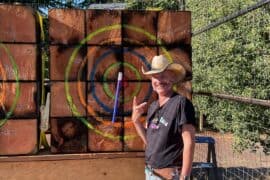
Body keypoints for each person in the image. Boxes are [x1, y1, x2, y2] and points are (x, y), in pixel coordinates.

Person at [132, 55, 196, 180]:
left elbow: (189, 143)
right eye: (155, 76)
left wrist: (184, 176)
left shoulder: (181, 103)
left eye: (164, 75)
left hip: (169, 175)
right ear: (151, 80)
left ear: (173, 77)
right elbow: (150, 142)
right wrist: (136, 121)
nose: (159, 80)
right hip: (150, 173)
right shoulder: (153, 107)